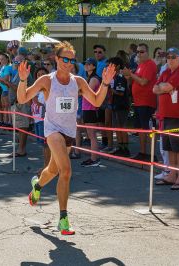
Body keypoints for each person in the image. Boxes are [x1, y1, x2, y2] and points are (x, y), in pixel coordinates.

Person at [17, 41, 115, 235]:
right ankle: (63, 219)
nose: (68, 63)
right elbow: (22, 98)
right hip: (52, 130)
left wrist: (104, 83)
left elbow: (96, 100)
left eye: (71, 59)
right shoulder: (47, 80)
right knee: (67, 171)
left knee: (53, 170)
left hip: (69, 132)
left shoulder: (78, 81)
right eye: (65, 59)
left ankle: (37, 185)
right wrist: (22, 80)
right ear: (56, 58)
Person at [153, 47, 179, 190]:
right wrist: (164, 87)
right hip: (166, 115)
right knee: (169, 149)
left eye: (173, 57)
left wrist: (163, 87)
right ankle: (172, 175)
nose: (170, 59)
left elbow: (165, 86)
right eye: (168, 57)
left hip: (178, 116)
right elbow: (154, 89)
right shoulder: (165, 72)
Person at [124, 43, 157, 161]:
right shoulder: (140, 66)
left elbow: (143, 82)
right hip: (138, 102)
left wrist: (131, 75)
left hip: (147, 102)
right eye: (137, 52)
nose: (139, 54)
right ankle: (142, 152)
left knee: (145, 129)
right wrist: (129, 77)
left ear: (148, 52)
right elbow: (135, 82)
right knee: (140, 129)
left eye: (142, 51)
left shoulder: (150, 64)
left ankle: (149, 154)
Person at [81, 58, 102, 166]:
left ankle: (94, 159)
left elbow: (86, 91)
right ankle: (93, 157)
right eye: (86, 64)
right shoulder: (89, 77)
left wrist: (79, 89)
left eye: (89, 64)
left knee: (92, 135)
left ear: (93, 66)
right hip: (87, 108)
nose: (86, 65)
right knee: (90, 135)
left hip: (91, 109)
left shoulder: (94, 78)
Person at [110, 57, 131, 157]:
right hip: (116, 105)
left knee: (122, 127)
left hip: (122, 106)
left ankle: (125, 149)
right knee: (117, 127)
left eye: (112, 65)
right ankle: (120, 147)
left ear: (117, 66)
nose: (110, 67)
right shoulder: (115, 77)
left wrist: (110, 89)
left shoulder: (120, 77)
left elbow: (120, 92)